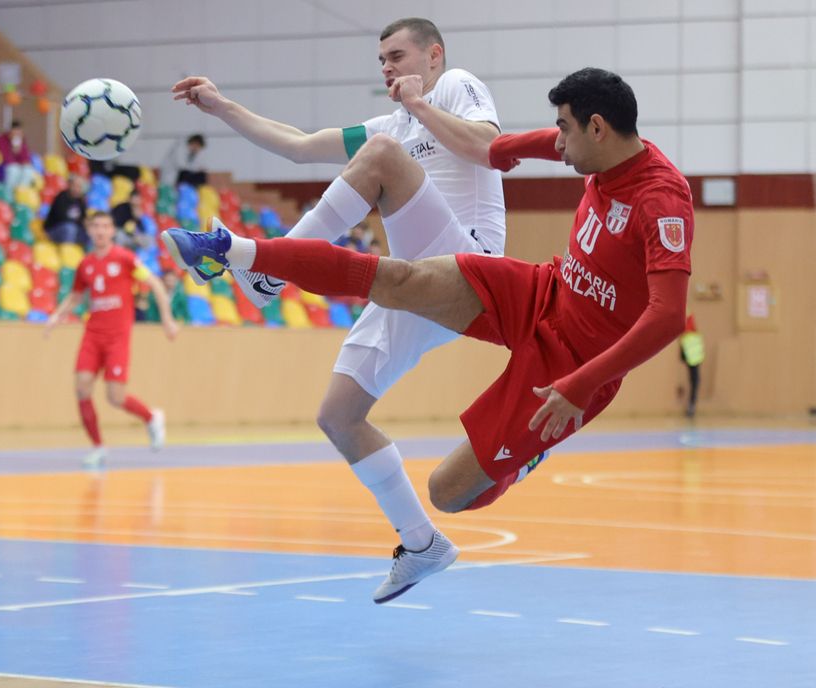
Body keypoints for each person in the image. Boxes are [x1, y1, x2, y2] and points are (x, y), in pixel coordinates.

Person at [163, 66, 694, 600]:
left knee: (448, 493)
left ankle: (521, 457)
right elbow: (494, 150)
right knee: (400, 278)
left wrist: (581, 385)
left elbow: (667, 316)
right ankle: (235, 250)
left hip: (574, 364)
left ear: (597, 128)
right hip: (543, 292)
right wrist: (426, 111)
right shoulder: (582, 149)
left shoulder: (660, 199)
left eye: (564, 129)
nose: (557, 142)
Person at [171, 17, 505, 603]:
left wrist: (422, 109)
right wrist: (224, 108)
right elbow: (299, 145)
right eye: (380, 60)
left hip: (470, 267)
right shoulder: (392, 125)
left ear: (434, 56)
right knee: (339, 416)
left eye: (397, 56)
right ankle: (422, 542)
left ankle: (269, 269)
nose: (387, 68)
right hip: (416, 283)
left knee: (380, 156)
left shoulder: (454, 86)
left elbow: (489, 149)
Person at [45, 212, 180, 466]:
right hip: (92, 335)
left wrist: (167, 320)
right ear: (89, 230)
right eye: (95, 226)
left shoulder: (125, 258)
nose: (100, 231)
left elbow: (156, 285)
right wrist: (55, 317)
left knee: (115, 397)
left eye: (105, 226)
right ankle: (98, 447)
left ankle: (151, 418)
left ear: (111, 231)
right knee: (82, 388)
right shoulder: (85, 265)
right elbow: (75, 297)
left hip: (118, 336)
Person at [44, 175, 88, 246]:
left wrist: (87, 225)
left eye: (79, 187)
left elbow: (84, 218)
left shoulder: (80, 201)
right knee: (70, 228)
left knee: (91, 232)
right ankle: (67, 253)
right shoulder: (61, 197)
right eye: (75, 185)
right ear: (69, 185)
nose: (77, 189)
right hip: (54, 230)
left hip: (73, 230)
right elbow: (62, 218)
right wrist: (79, 222)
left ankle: (90, 254)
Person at [0, 120, 35, 190]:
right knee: (14, 170)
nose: (16, 135)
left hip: (18, 166)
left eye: (19, 132)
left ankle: (21, 191)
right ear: (10, 132)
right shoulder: (1, 139)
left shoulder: (21, 141)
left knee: (28, 170)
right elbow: (4, 158)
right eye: (15, 132)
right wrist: (12, 149)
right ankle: (9, 192)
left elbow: (26, 159)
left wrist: (19, 150)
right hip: (5, 166)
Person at [679, 314, 704, 418]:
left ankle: (691, 406)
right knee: (695, 382)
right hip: (694, 360)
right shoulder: (692, 335)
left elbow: (683, 354)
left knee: (695, 382)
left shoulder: (687, 336)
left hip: (693, 360)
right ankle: (691, 406)